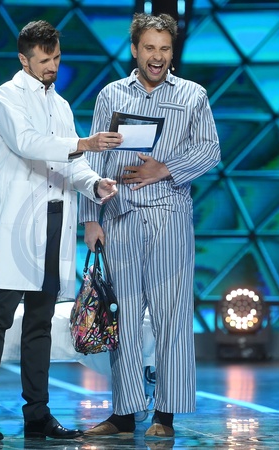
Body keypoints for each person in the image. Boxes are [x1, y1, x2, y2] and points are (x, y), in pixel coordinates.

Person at [0, 20, 123, 442]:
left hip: (56, 222)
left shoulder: (62, 105)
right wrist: (85, 144)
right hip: (19, 224)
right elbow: (29, 143)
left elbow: (72, 164)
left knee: (40, 322)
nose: (52, 66)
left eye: (55, 57)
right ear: (24, 59)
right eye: (43, 60)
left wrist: (95, 183)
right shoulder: (6, 97)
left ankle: (37, 415)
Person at [78, 13, 220, 439]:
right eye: (149, 48)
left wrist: (164, 168)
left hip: (169, 217)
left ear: (172, 52)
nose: (157, 57)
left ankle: (165, 415)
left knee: (171, 316)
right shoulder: (111, 94)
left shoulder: (193, 95)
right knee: (121, 316)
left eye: (164, 48)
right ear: (135, 50)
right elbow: (93, 160)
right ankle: (124, 414)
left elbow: (210, 150)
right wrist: (90, 219)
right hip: (119, 217)